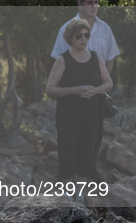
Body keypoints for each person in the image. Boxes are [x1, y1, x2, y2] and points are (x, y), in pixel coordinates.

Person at [46, 19, 113, 195]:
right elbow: (50, 89)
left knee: (86, 156)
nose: (83, 39)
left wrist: (95, 90)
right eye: (79, 36)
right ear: (70, 38)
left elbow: (108, 82)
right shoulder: (62, 60)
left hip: (92, 116)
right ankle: (67, 196)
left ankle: (80, 196)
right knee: (68, 156)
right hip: (67, 117)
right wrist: (73, 90)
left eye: (86, 35)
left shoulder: (95, 58)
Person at [50, 0, 121, 74]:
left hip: (99, 85)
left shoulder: (105, 29)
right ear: (80, 6)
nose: (94, 6)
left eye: (96, 2)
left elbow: (110, 58)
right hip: (74, 84)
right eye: (90, 2)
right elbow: (58, 58)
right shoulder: (66, 29)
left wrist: (104, 82)